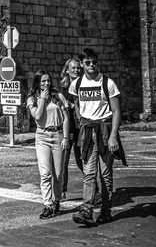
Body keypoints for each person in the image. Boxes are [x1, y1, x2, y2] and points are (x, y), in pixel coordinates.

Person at [70, 47, 125, 227]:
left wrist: (113, 137)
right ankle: (86, 209)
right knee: (89, 172)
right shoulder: (77, 84)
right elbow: (75, 104)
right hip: (87, 132)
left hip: (104, 130)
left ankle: (106, 210)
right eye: (88, 63)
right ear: (82, 64)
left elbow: (116, 111)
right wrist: (80, 118)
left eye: (94, 62)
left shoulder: (108, 83)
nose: (91, 65)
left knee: (105, 174)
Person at [26, 68, 70, 220]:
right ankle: (48, 204)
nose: (46, 83)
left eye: (48, 80)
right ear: (38, 82)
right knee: (45, 173)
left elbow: (66, 117)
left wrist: (65, 137)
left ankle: (57, 200)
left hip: (57, 134)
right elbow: (37, 117)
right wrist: (43, 99)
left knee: (58, 174)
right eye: (43, 81)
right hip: (42, 136)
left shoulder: (58, 96)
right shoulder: (32, 98)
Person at [59, 55, 84, 199]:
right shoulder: (64, 87)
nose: (76, 70)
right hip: (68, 128)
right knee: (64, 161)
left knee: (83, 161)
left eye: (78, 68)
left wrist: (74, 106)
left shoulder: (84, 85)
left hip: (80, 127)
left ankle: (95, 190)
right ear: (67, 70)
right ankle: (61, 191)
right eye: (73, 68)